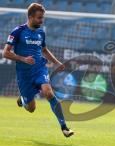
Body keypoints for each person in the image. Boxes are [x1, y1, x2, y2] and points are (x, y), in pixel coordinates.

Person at [3, 3, 74, 137]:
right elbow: (5, 53)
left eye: (42, 18)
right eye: (39, 18)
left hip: (40, 69)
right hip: (24, 74)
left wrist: (57, 62)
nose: (42, 21)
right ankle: (23, 100)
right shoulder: (17, 31)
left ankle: (64, 127)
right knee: (31, 109)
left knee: (48, 93)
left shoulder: (41, 32)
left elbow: (44, 50)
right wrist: (23, 59)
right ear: (30, 17)